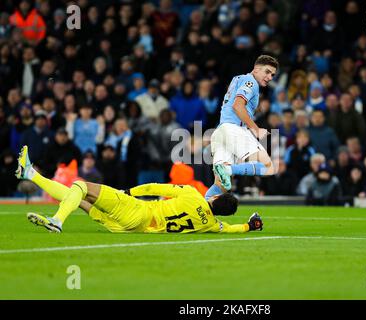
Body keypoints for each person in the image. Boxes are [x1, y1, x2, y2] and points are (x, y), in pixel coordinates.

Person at [16, 145, 263, 234]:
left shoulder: (191, 193)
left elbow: (154, 186)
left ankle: (57, 221)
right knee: (80, 198)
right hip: (132, 229)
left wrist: (129, 193)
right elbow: (232, 229)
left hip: (137, 209)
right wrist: (249, 226)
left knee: (80, 185)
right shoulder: (210, 225)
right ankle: (30, 173)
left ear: (217, 197)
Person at [205, 55, 279, 198]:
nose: (270, 77)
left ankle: (202, 215)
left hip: (221, 131)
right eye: (267, 72)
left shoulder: (237, 79)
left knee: (220, 187)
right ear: (256, 69)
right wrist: (256, 129)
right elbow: (238, 106)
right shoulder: (251, 82)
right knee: (268, 167)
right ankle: (227, 169)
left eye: (273, 75)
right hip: (233, 129)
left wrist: (252, 111)